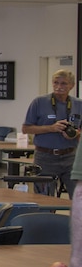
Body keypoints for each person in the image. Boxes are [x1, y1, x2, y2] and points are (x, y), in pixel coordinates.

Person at [22, 68, 80, 197]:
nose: (59, 87)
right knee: (45, 199)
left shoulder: (78, 104)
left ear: (72, 85)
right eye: (55, 83)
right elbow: (26, 128)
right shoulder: (39, 102)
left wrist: (76, 133)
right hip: (45, 157)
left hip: (71, 157)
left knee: (78, 197)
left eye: (63, 83)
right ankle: (47, 217)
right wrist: (51, 128)